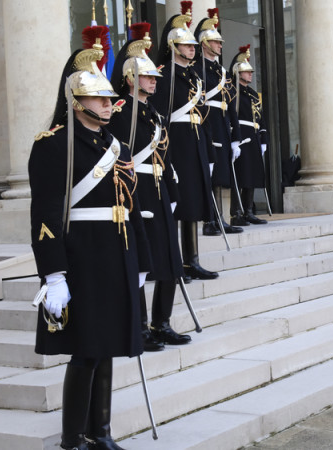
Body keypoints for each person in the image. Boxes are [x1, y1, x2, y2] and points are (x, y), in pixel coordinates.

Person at [28, 31, 151, 450]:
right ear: (78, 103)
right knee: (86, 351)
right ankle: (72, 438)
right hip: (82, 256)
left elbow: (127, 205)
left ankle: (101, 432)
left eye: (107, 98)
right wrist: (53, 274)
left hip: (116, 251)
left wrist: (141, 261)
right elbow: (44, 215)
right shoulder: (53, 146)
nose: (108, 104)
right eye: (99, 99)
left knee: (110, 345)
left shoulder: (112, 144)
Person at [108, 23, 192, 350]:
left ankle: (163, 322)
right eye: (147, 77)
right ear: (130, 78)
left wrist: (172, 195)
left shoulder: (154, 114)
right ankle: (140, 326)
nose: (154, 81)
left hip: (159, 190)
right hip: (137, 190)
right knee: (142, 261)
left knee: (170, 259)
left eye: (155, 77)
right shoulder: (119, 113)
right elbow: (118, 157)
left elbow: (165, 156)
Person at [149, 7, 219, 282]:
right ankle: (175, 262)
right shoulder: (163, 75)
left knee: (192, 202)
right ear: (173, 46)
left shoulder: (194, 76)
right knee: (178, 203)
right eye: (186, 46)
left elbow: (205, 115)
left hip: (196, 142)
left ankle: (192, 260)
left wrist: (210, 151)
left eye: (193, 46)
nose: (192, 50)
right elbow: (159, 115)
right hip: (176, 144)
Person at [194, 8, 244, 235]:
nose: (220, 45)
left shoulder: (221, 71)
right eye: (216, 42)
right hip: (208, 122)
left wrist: (236, 137)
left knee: (221, 173)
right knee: (209, 174)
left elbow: (231, 102)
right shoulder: (197, 68)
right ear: (204, 43)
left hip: (222, 123)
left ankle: (220, 218)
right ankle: (209, 221)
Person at [228, 45, 268, 226]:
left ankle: (249, 210)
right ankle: (236, 212)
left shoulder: (252, 94)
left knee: (251, 174)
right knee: (240, 174)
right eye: (247, 72)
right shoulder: (232, 91)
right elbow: (232, 116)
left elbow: (260, 117)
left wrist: (263, 138)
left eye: (251, 72)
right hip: (240, 135)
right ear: (238, 72)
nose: (250, 74)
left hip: (252, 135)